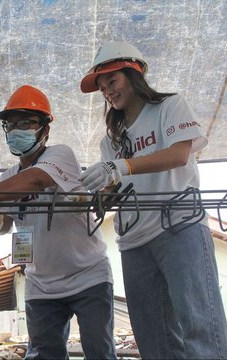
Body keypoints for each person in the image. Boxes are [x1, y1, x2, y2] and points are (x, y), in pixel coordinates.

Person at [79, 41, 227, 359]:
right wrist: (102, 195)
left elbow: (178, 153)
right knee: (153, 337)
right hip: (133, 241)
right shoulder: (112, 140)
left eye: (112, 81)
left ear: (134, 75)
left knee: (200, 325)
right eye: (102, 87)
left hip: (180, 227)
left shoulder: (169, 107)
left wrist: (122, 165)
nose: (107, 91)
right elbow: (118, 187)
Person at [0, 85, 117, 359]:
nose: (17, 130)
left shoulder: (60, 155)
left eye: (26, 122)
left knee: (99, 351)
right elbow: (5, 223)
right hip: (41, 284)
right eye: (11, 124)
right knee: (43, 354)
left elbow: (36, 179)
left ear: (45, 129)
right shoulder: (8, 178)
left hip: (88, 276)